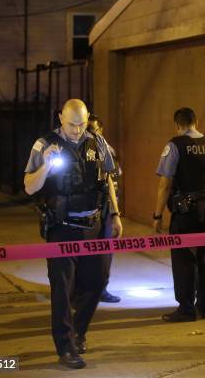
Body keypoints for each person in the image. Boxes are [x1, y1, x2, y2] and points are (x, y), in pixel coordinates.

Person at [24, 99, 123, 369]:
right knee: (62, 290)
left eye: (82, 124)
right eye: (71, 125)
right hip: (62, 228)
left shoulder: (98, 142)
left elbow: (109, 180)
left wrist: (114, 214)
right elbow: (29, 187)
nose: (77, 130)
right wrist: (45, 166)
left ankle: (79, 332)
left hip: (94, 225)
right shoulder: (44, 144)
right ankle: (66, 346)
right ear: (60, 118)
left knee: (96, 282)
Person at [153, 107, 205, 322]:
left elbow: (165, 184)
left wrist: (157, 216)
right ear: (196, 122)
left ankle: (186, 308)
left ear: (177, 125)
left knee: (184, 257)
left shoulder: (174, 145)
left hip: (185, 209)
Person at [87, 114, 121, 304]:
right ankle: (83, 291)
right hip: (91, 207)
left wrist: (116, 213)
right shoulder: (81, 151)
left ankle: (102, 289)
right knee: (86, 252)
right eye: (88, 129)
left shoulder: (108, 150)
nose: (91, 133)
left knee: (105, 252)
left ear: (101, 131)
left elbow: (114, 180)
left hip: (107, 206)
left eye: (94, 129)